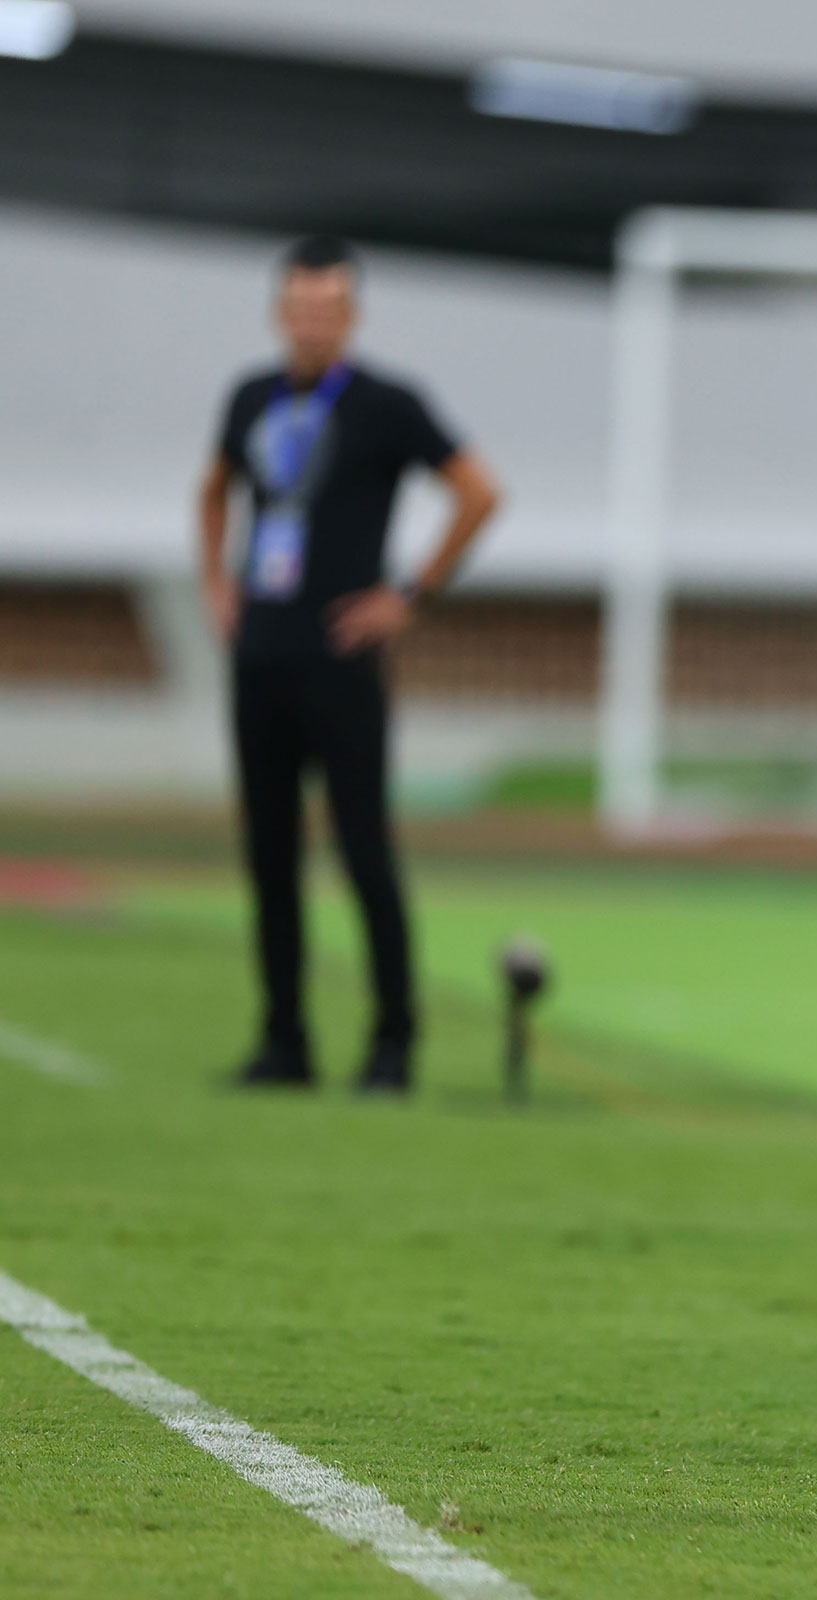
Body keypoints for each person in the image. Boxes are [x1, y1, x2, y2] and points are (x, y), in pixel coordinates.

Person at [200, 237, 501, 1094]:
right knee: (269, 856)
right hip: (262, 653)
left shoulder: (386, 405)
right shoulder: (251, 397)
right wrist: (217, 581)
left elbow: (479, 492)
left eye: (327, 308)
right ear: (278, 313)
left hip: (342, 658)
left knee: (364, 851)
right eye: (299, 307)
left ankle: (392, 1043)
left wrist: (409, 594)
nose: (311, 322)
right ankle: (283, 1040)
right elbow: (213, 488)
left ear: (352, 316)